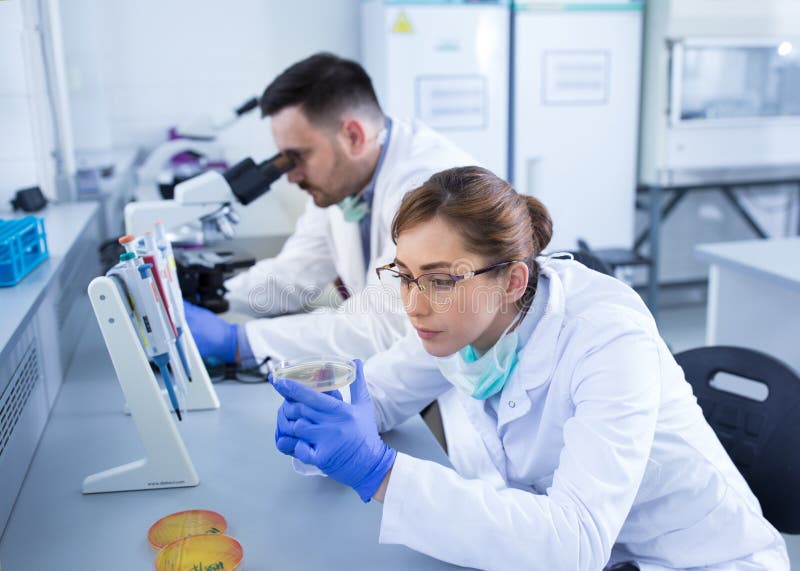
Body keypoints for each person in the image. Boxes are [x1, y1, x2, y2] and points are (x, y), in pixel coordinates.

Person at [272, 166, 789, 571]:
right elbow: (378, 397)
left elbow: (574, 543)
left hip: (693, 561)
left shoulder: (607, 337)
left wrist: (381, 473)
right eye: (405, 276)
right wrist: (325, 417)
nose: (414, 303)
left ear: (514, 281)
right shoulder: (461, 313)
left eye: (439, 279)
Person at [184, 52, 474, 366]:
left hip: (449, 382)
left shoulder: (430, 186)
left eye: (297, 158)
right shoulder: (340, 182)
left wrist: (237, 341)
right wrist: (213, 296)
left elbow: (384, 323)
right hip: (395, 373)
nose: (291, 175)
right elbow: (296, 273)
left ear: (353, 136)